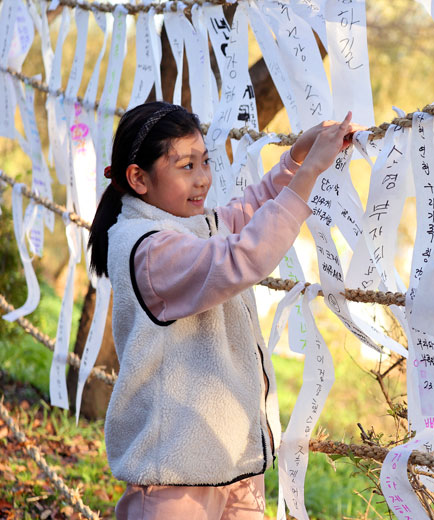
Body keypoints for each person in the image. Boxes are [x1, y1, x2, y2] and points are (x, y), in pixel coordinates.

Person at [87, 101, 359, 519]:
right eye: (186, 166)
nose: (202, 180)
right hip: (173, 477)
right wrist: (309, 175)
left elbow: (248, 212)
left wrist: (296, 157)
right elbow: (243, 257)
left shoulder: (191, 223)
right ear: (138, 178)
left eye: (204, 162)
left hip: (233, 465)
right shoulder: (149, 250)